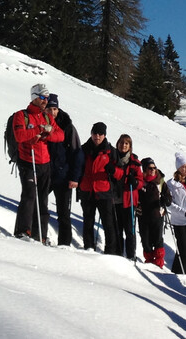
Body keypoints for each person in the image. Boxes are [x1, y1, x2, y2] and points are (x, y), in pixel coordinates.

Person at [11, 83, 63, 242]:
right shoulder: (22, 115)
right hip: (28, 161)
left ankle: (40, 234)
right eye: (42, 97)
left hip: (44, 163)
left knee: (42, 199)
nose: (45, 101)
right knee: (28, 197)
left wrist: (47, 135)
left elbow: (60, 135)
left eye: (46, 98)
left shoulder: (46, 116)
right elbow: (19, 136)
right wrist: (37, 130)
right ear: (34, 97)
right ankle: (22, 231)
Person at [45, 94, 84, 246]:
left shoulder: (67, 126)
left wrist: (74, 177)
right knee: (39, 206)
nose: (52, 112)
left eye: (54, 109)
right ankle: (38, 236)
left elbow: (77, 153)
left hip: (63, 177)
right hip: (46, 174)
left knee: (64, 214)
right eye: (49, 109)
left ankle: (64, 244)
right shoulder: (41, 123)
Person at [79, 122, 117, 253]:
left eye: (100, 134)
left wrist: (113, 170)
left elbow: (120, 173)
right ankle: (88, 247)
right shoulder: (84, 149)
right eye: (95, 133)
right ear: (91, 134)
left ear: (104, 135)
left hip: (104, 191)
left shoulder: (111, 151)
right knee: (88, 221)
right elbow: (77, 167)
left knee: (108, 223)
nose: (97, 136)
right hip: (87, 190)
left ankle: (110, 250)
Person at [111, 134, 144, 258]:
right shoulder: (112, 159)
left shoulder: (134, 163)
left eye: (126, 143)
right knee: (117, 230)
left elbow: (141, 182)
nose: (123, 145)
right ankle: (118, 254)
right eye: (121, 143)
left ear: (130, 146)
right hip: (115, 199)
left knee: (130, 231)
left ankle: (131, 255)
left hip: (129, 201)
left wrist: (135, 182)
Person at [137, 157, 167, 267]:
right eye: (150, 168)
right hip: (143, 215)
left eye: (154, 167)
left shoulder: (160, 181)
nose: (153, 170)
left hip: (157, 215)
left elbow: (168, 197)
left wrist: (166, 200)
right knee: (145, 240)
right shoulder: (140, 181)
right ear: (145, 169)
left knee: (158, 239)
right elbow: (135, 196)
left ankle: (159, 262)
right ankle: (149, 261)